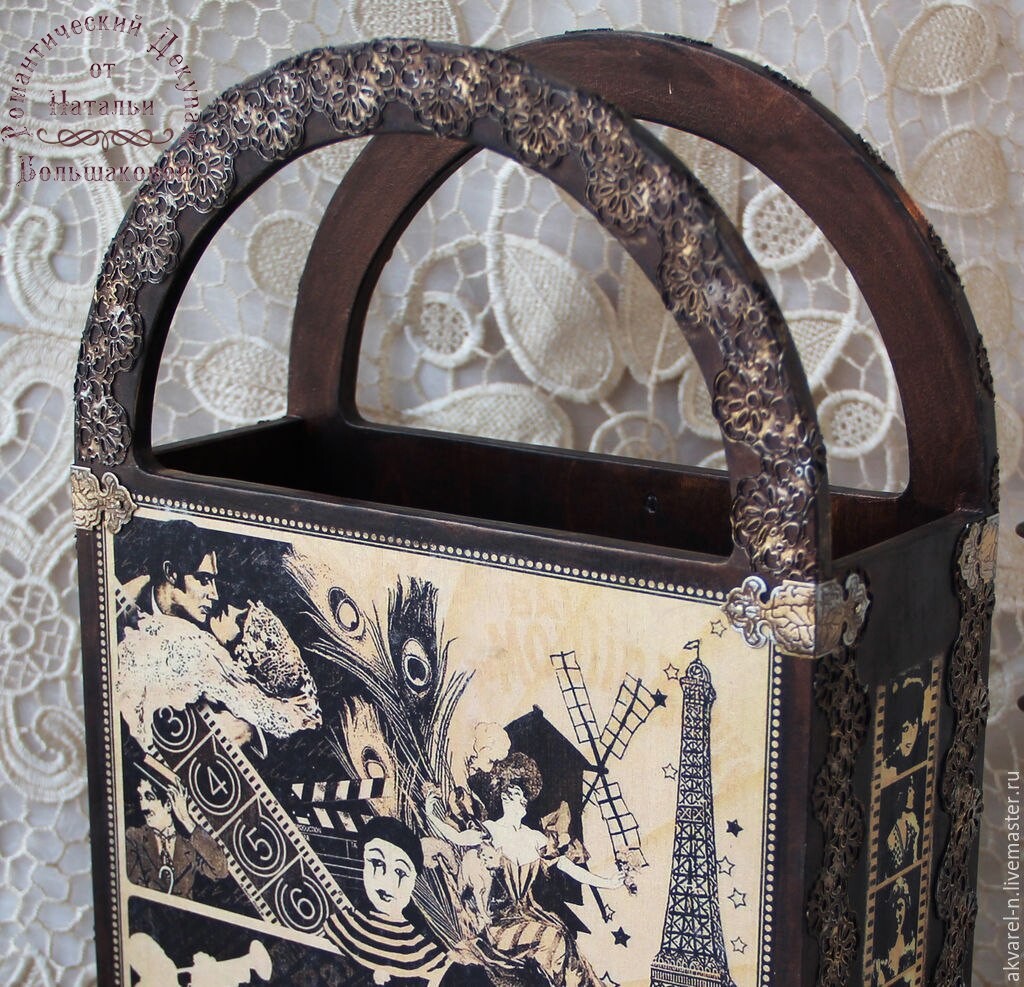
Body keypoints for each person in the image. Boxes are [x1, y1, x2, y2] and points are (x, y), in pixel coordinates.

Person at [116, 521, 321, 751]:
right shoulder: (122, 602)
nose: (214, 594)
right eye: (204, 580)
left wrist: (248, 728)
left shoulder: (208, 640)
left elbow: (258, 710)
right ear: (171, 573)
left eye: (213, 580)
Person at [426, 753, 622, 987]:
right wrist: (430, 813)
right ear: (504, 795)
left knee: (562, 936)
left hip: (530, 914)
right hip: (499, 923)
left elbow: (568, 867)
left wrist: (607, 882)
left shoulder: (535, 839)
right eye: (515, 793)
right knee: (552, 937)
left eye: (522, 794)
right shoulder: (490, 831)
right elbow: (457, 837)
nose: (521, 800)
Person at [325, 816, 449, 985]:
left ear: (414, 881)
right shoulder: (341, 927)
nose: (386, 880)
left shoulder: (427, 955)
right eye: (377, 863)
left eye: (400, 872)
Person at [124, 773, 229, 898]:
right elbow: (135, 891)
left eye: (149, 797)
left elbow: (221, 870)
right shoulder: (134, 837)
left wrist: (186, 819)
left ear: (169, 804)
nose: (143, 806)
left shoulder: (190, 845)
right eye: (141, 798)